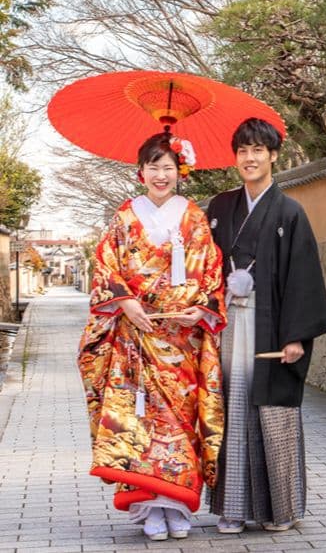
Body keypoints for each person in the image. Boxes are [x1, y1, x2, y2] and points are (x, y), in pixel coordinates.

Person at [77, 132, 226, 542]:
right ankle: (147, 508)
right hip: (135, 335)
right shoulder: (124, 217)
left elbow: (211, 272)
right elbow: (106, 268)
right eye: (153, 167)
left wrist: (202, 309)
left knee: (180, 419)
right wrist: (125, 303)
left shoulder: (194, 216)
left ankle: (177, 505)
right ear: (140, 172)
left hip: (181, 338)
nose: (161, 175)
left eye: (169, 168)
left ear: (181, 173)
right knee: (138, 419)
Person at [207, 117, 326, 533]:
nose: (249, 158)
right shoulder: (221, 207)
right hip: (228, 320)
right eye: (242, 151)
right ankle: (232, 508)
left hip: (272, 324)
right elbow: (202, 265)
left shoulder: (290, 212)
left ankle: (280, 510)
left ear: (273, 155)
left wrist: (295, 335)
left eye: (258, 150)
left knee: (274, 415)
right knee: (230, 410)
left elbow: (303, 275)